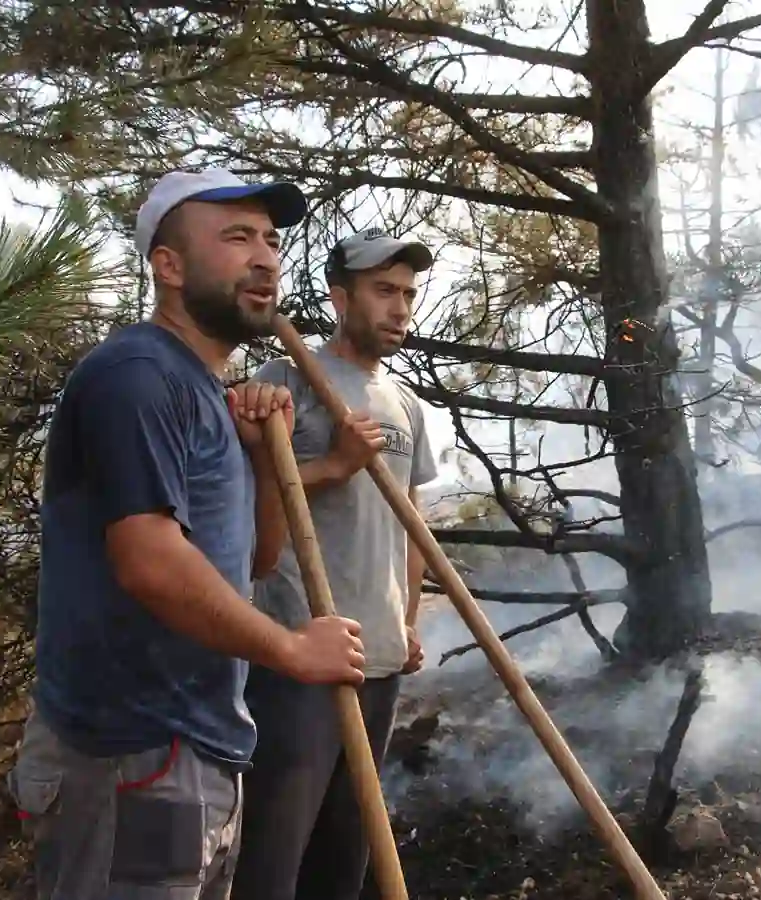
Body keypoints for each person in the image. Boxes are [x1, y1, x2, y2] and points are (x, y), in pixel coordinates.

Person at [7, 168, 369, 900]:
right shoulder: (137, 376)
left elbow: (255, 562)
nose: (266, 256)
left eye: (270, 240)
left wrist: (264, 462)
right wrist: (294, 650)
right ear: (167, 267)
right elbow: (149, 562)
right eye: (236, 237)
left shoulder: (206, 394)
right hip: (130, 756)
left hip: (192, 752)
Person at [230, 227, 439, 900]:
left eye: (407, 293)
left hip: (377, 659)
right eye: (383, 291)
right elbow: (249, 505)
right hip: (302, 653)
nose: (400, 307)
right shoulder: (282, 383)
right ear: (340, 297)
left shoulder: (405, 403)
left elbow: (409, 523)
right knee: (273, 854)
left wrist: (407, 623)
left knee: (346, 855)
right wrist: (335, 465)